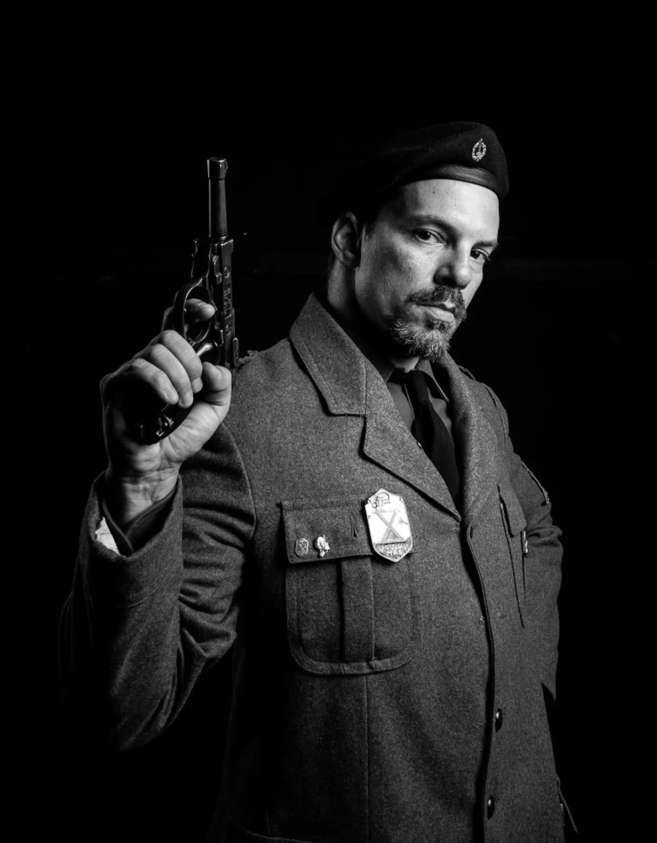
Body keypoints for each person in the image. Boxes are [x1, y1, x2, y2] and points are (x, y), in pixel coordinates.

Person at [60, 122, 569, 842]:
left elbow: (536, 533)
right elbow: (123, 711)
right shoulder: (243, 422)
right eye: (430, 236)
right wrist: (139, 487)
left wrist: (520, 695)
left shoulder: (478, 409)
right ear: (349, 239)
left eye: (479, 252)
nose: (459, 274)